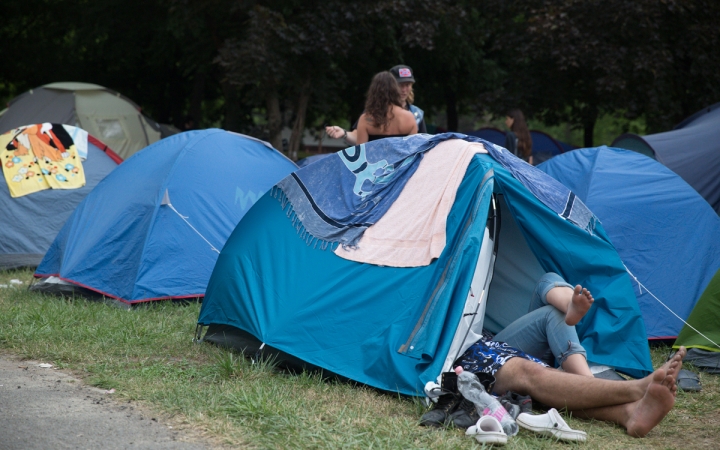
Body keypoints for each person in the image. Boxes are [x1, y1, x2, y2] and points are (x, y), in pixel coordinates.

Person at [425, 272, 687, 437]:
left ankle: (615, 402)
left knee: (548, 285)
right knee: (529, 373)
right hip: (463, 349)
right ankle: (630, 399)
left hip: (490, 338)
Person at [326, 64, 426, 145]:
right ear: (393, 87)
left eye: (407, 85)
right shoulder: (411, 117)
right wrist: (344, 134)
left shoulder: (417, 114)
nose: (404, 90)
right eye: (400, 85)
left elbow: (361, 153)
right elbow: (414, 150)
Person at [352, 71, 417, 145]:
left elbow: (361, 153)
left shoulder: (365, 119)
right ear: (395, 90)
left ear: (373, 92)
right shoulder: (409, 118)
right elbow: (413, 150)